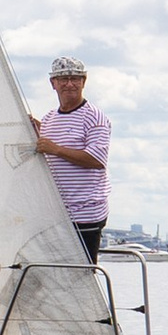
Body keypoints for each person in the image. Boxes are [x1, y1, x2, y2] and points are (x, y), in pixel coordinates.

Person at [30, 57, 112, 260]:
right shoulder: (49, 118)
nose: (69, 84)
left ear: (84, 82)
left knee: (81, 272)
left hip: (86, 213)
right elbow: (48, 145)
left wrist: (56, 149)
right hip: (56, 212)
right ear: (53, 83)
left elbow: (96, 159)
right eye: (63, 79)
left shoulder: (94, 117)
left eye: (75, 78)